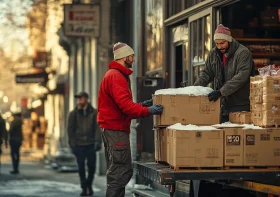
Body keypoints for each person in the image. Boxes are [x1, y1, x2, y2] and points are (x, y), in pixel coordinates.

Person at [97, 42, 163, 197]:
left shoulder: (116, 75)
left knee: (119, 172)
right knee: (120, 172)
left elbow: (122, 106)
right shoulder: (116, 76)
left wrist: (141, 106)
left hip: (114, 130)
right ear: (124, 57)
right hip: (116, 131)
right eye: (131, 56)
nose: (133, 59)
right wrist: (148, 110)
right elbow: (125, 107)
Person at [194, 24, 253, 123]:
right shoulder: (214, 53)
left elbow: (241, 77)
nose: (220, 46)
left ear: (229, 40)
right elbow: (207, 73)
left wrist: (221, 92)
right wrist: (194, 89)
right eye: (217, 43)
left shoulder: (243, 53)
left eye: (222, 43)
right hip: (221, 104)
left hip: (240, 104)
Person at [67, 91, 101, 196]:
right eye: (78, 98)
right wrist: (72, 145)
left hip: (90, 144)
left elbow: (98, 128)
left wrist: (97, 141)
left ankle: (89, 185)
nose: (79, 100)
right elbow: (70, 130)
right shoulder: (73, 113)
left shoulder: (94, 112)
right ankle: (83, 187)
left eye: (80, 98)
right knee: (81, 168)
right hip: (79, 145)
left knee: (91, 167)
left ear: (86, 99)